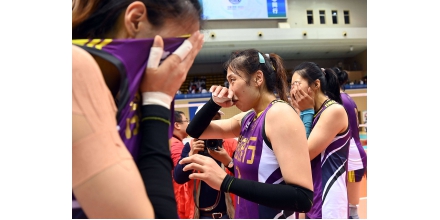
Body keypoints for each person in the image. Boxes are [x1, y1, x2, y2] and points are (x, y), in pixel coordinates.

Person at [72, 0, 204, 218]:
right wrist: (157, 103)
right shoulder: (75, 68)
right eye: (173, 53)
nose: (175, 71)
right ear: (135, 20)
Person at [180, 49, 314, 219]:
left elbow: (302, 198)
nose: (229, 89)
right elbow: (194, 130)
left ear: (258, 78)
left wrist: (226, 182)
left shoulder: (280, 115)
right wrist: (214, 103)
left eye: (232, 80)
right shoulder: (248, 118)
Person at [289, 62, 351, 219]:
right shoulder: (310, 113)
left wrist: (306, 113)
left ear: (316, 84)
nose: (293, 90)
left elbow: (304, 154)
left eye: (297, 84)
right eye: (291, 85)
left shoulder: (333, 111)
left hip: (328, 197)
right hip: (310, 192)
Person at [174, 104, 237, 219]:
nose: (213, 124)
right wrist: (191, 154)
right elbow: (178, 177)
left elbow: (244, 176)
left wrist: (228, 161)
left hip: (229, 213)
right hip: (200, 215)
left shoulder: (231, 144)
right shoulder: (191, 146)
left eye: (217, 119)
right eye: (209, 120)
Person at [333, 67, 367, 219]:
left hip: (352, 156)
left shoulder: (339, 101)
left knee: (351, 211)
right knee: (347, 209)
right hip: (353, 152)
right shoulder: (347, 98)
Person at [170, 111, 196, 219]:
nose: (189, 124)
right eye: (187, 121)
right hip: (179, 201)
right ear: (177, 125)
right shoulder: (175, 145)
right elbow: (180, 174)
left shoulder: (171, 142)